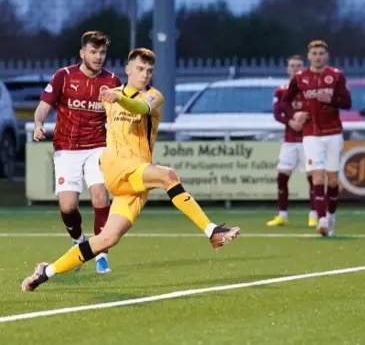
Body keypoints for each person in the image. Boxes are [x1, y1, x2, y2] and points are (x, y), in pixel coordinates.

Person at [21, 48, 240, 292]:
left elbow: (140, 108)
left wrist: (119, 100)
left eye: (149, 70)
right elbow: (78, 108)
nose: (145, 74)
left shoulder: (154, 96)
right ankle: (212, 231)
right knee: (167, 175)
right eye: (139, 69)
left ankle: (45, 272)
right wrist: (45, 124)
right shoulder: (110, 94)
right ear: (127, 70)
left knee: (107, 239)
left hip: (136, 179)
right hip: (118, 169)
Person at [34, 31, 120, 274]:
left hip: (97, 147)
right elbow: (43, 107)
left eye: (102, 52)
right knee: (68, 207)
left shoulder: (112, 81)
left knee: (100, 197)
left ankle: (101, 254)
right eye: (93, 52)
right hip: (66, 149)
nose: (98, 57)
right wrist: (39, 124)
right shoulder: (64, 76)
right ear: (82, 53)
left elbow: (120, 115)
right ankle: (79, 239)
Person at [280, 40, 352, 237]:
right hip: (311, 134)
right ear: (309, 56)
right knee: (317, 176)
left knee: (333, 178)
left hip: (333, 132)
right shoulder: (300, 78)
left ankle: (331, 217)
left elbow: (347, 102)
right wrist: (295, 115)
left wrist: (332, 100)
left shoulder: (336, 76)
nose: (318, 56)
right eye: (314, 53)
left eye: (321, 53)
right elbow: (284, 102)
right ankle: (321, 220)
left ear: (326, 56)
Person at [267, 55, 317, 228]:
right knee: (282, 176)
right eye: (292, 66)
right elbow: (276, 113)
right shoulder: (281, 90)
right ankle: (282, 215)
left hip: (308, 140)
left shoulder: (310, 89)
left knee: (312, 177)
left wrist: (306, 119)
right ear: (287, 69)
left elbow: (319, 111)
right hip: (289, 141)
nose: (295, 68)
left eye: (299, 66)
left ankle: (314, 215)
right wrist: (290, 122)